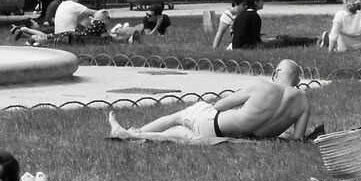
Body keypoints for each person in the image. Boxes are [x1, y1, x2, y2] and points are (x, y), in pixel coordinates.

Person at [108, 60, 319, 143]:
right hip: (234, 134)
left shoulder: (262, 85)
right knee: (175, 135)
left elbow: (219, 106)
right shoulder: (303, 102)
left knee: (176, 118)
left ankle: (131, 133)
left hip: (215, 124)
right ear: (298, 81)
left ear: (276, 72)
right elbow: (298, 138)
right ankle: (134, 135)